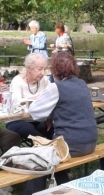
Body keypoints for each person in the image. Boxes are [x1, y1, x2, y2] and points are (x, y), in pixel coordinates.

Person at [25, 51, 98, 194]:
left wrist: (48, 111)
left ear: (54, 70)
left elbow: (34, 111)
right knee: (52, 156)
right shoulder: (82, 83)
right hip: (91, 142)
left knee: (39, 158)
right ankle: (65, 184)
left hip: (71, 145)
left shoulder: (56, 87)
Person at [6, 53, 53, 140]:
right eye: (40, 69)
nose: (43, 73)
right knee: (36, 136)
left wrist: (49, 118)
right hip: (18, 120)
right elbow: (17, 105)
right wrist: (39, 98)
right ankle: (47, 146)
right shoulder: (17, 81)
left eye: (44, 69)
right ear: (29, 68)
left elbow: (52, 98)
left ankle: (56, 148)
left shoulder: (45, 80)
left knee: (56, 129)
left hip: (38, 120)